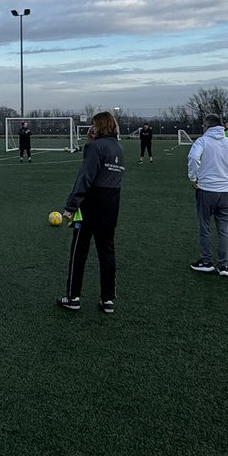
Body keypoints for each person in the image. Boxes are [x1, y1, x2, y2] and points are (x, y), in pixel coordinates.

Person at [57, 111, 125, 314]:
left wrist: (71, 206)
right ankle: (108, 299)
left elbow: (86, 178)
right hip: (111, 204)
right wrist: (88, 144)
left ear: (101, 126)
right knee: (107, 252)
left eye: (94, 125)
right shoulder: (118, 148)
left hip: (91, 204)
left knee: (79, 251)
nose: (91, 128)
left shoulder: (97, 147)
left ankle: (73, 297)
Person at [187, 114, 228, 277]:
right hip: (227, 192)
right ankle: (223, 266)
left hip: (207, 190)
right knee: (224, 229)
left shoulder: (202, 141)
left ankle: (206, 261)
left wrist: (193, 177)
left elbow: (194, 157)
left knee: (204, 227)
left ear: (207, 126)